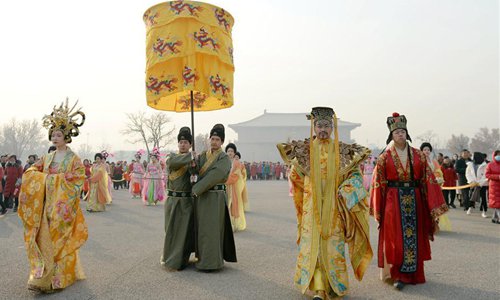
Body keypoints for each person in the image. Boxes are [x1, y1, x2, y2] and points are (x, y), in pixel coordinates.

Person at [277, 107, 372, 299]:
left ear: (332, 128)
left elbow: (355, 176)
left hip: (334, 208)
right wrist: (298, 177)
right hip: (312, 207)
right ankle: (318, 287)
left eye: (326, 126)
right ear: (313, 127)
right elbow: (296, 176)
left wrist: (345, 190)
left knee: (331, 246)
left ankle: (331, 285)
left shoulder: (343, 151)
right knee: (314, 246)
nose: (322, 129)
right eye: (319, 125)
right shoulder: (305, 151)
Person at [370, 112, 448, 290]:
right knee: (396, 238)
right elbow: (378, 184)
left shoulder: (418, 155)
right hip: (392, 199)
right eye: (397, 132)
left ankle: (413, 273)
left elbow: (427, 179)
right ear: (391, 135)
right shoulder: (384, 158)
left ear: (407, 133)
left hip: (414, 199)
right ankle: (398, 274)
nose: (400, 134)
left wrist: (433, 205)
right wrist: (378, 208)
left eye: (403, 131)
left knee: (414, 236)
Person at [18, 99, 87, 293]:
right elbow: (31, 171)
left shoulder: (73, 159)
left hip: (62, 206)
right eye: (53, 135)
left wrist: (54, 179)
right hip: (46, 204)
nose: (55, 138)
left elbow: (78, 178)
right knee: (43, 240)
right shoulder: (47, 158)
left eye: (59, 135)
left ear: (66, 137)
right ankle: (42, 277)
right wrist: (44, 178)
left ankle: (59, 278)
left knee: (59, 240)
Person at [192, 124, 237, 271]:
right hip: (203, 197)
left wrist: (196, 188)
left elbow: (215, 175)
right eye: (212, 138)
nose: (214, 142)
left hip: (215, 198)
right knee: (203, 229)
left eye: (217, 139)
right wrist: (192, 164)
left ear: (222, 142)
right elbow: (195, 172)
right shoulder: (202, 156)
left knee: (213, 229)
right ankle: (202, 258)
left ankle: (212, 262)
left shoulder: (224, 158)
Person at [161, 127, 195, 270]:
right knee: (170, 230)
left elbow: (196, 176)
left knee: (183, 232)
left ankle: (180, 260)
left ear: (190, 144)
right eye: (180, 142)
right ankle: (169, 257)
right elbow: (172, 163)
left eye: (186, 142)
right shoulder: (171, 157)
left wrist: (194, 167)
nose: (182, 144)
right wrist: (190, 157)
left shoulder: (193, 159)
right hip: (171, 200)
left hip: (185, 201)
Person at [420, 142, 451, 231]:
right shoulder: (420, 160)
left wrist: (439, 178)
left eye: (428, 150)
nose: (427, 151)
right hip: (424, 185)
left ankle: (434, 224)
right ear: (421, 151)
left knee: (434, 204)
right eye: (425, 150)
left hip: (433, 186)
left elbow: (438, 171)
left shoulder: (432, 161)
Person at [225, 144, 246, 231]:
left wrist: (225, 179)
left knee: (233, 205)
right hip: (225, 187)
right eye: (228, 151)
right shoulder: (223, 162)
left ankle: (234, 224)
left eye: (231, 151)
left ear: (234, 153)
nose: (230, 153)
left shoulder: (236, 163)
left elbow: (236, 176)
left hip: (233, 187)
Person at [465, 152, 488, 217]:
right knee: (472, 196)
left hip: (482, 184)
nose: (472, 157)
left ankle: (484, 211)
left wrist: (480, 183)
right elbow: (468, 174)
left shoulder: (485, 165)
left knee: (483, 198)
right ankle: (470, 208)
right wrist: (472, 181)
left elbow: (486, 175)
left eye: (473, 156)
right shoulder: (470, 164)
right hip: (473, 184)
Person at [486, 150, 500, 224]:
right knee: (497, 203)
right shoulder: (490, 165)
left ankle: (494, 218)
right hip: (494, 185)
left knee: (498, 203)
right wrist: (498, 177)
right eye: (497, 155)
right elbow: (487, 175)